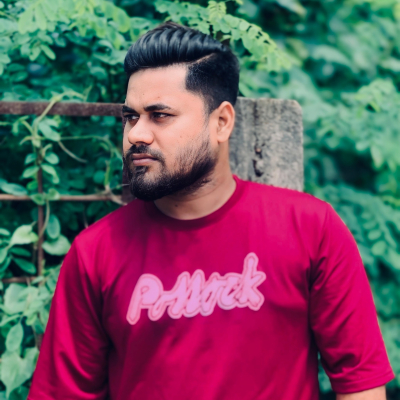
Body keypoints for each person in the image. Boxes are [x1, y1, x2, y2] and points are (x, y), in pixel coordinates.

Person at [28, 22, 394, 400]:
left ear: (221, 122)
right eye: (131, 116)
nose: (136, 134)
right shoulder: (95, 252)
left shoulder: (311, 229)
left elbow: (361, 386)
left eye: (160, 115)